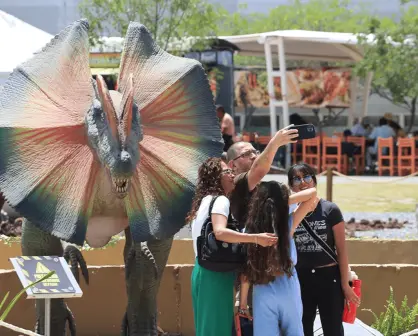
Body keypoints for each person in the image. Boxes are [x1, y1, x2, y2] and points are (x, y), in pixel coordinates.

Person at [187, 157, 277, 336]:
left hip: (201, 270)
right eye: (226, 172)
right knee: (217, 329)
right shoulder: (221, 200)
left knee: (206, 329)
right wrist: (256, 238)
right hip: (215, 275)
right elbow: (220, 232)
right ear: (216, 177)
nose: (232, 175)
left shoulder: (204, 200)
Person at [288, 163, 361, 336]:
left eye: (307, 177)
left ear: (314, 180)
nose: (303, 182)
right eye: (296, 179)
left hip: (329, 278)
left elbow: (341, 251)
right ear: (290, 185)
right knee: (303, 327)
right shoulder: (289, 212)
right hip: (302, 278)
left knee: (333, 328)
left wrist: (345, 284)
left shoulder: (330, 210)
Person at [239, 181, 318, 336]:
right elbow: (312, 194)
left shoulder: (250, 230)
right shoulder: (287, 224)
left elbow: (246, 273)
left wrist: (242, 303)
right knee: (294, 331)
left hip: (262, 288)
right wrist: (280, 202)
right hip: (288, 284)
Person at [226, 125, 299, 228]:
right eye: (246, 154)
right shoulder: (234, 183)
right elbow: (258, 169)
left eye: (255, 152)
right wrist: (275, 142)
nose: (254, 156)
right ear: (232, 165)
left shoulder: (263, 187)